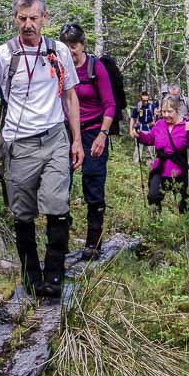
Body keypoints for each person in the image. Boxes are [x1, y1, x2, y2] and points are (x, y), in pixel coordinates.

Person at [0, 0, 83, 298]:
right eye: (22, 19)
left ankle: (54, 275)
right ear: (15, 19)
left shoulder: (59, 52)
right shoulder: (3, 55)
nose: (27, 25)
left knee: (56, 204)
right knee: (23, 213)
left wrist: (76, 140)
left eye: (34, 18)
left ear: (44, 19)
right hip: (18, 144)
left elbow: (70, 96)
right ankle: (31, 276)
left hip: (54, 139)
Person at [60, 23, 116, 261]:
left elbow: (110, 104)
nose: (71, 51)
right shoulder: (59, 68)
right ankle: (60, 241)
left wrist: (103, 134)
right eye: (66, 46)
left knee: (93, 183)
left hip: (94, 130)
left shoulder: (96, 68)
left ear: (82, 45)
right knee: (60, 184)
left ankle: (93, 242)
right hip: (65, 130)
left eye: (74, 46)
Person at [131, 96, 189, 214]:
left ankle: (184, 228)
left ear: (177, 110)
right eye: (163, 111)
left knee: (183, 204)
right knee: (153, 196)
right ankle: (156, 223)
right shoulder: (160, 124)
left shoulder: (187, 125)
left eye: (169, 111)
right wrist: (139, 135)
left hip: (181, 170)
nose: (165, 115)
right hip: (161, 168)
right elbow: (150, 139)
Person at [129, 91, 157, 163]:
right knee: (138, 147)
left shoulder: (152, 106)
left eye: (147, 100)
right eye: (144, 101)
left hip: (150, 130)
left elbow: (157, 115)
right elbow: (133, 118)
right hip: (140, 129)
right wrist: (131, 130)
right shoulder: (138, 107)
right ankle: (136, 162)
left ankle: (150, 163)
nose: (146, 102)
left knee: (150, 148)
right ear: (141, 99)